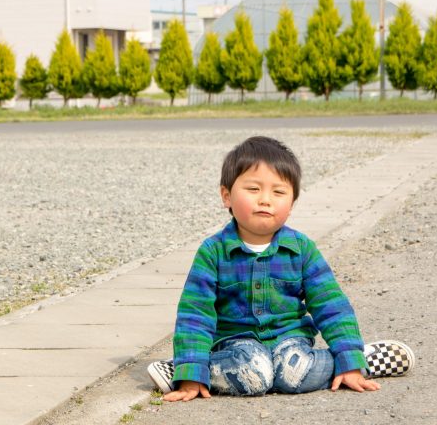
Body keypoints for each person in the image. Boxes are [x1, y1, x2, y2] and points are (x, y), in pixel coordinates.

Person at [147, 136, 414, 402]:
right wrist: (191, 371)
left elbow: (331, 305)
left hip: (291, 343)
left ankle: (358, 360)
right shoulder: (213, 251)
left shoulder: (301, 248)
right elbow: (195, 314)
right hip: (236, 346)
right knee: (254, 374)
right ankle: (187, 369)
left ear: (292, 203)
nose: (265, 200)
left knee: (292, 375)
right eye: (253, 190)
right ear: (226, 195)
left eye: (278, 192)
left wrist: (348, 355)